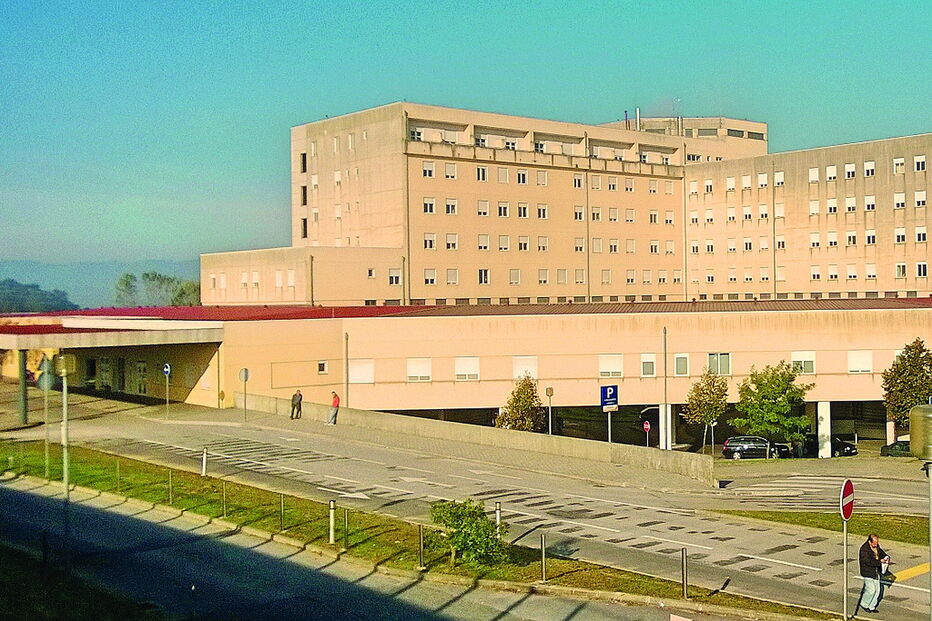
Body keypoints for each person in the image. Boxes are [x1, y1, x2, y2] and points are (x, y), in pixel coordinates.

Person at [858, 534, 889, 613]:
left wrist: (886, 556)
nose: (876, 544)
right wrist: (879, 562)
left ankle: (872, 606)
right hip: (867, 572)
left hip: (875, 571)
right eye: (874, 543)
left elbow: (881, 552)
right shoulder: (864, 550)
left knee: (877, 591)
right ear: (869, 541)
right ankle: (864, 603)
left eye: (877, 542)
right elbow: (868, 562)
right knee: (871, 590)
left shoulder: (876, 546)